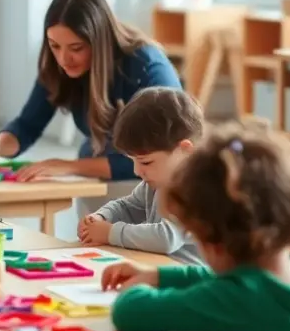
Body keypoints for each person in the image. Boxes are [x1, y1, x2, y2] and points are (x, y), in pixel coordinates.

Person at [102, 124, 290, 331]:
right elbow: (227, 282)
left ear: (214, 244)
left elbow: (130, 312)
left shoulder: (241, 298)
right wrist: (158, 276)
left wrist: (134, 290)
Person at [0, 0, 181, 188]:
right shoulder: (58, 66)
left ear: (100, 41)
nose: (64, 59)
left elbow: (162, 155)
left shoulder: (147, 67)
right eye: (55, 46)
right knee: (91, 153)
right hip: (101, 158)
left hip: (156, 169)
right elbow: (27, 126)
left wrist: (69, 166)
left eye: (76, 48)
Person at [78, 87, 204, 264]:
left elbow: (166, 238)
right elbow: (126, 207)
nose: (136, 171)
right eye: (133, 161)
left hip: (188, 282)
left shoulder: (194, 189)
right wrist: (100, 217)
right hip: (157, 270)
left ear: (184, 150)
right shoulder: (156, 182)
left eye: (145, 162)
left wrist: (110, 233)